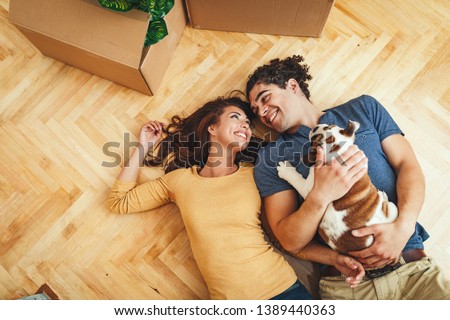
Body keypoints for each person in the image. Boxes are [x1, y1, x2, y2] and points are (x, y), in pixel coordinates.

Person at [245, 55, 450, 299]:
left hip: (413, 270)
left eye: (265, 98)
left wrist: (403, 227)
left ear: (292, 85)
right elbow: (288, 240)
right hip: (349, 288)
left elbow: (408, 166)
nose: (263, 112)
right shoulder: (271, 158)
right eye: (256, 111)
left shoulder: (363, 108)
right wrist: (319, 196)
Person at [107, 95, 314, 300]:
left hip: (283, 291)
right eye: (236, 117)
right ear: (212, 128)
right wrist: (143, 146)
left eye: (248, 123)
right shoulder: (179, 181)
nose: (246, 126)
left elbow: (282, 237)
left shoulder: (256, 175)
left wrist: (335, 259)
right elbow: (119, 201)